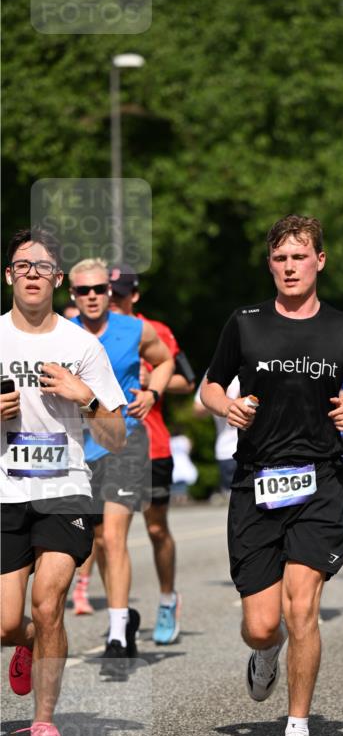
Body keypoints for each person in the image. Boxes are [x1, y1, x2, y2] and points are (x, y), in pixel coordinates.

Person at [201, 214, 343, 736]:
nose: (289, 267)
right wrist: (223, 404)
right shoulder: (246, 323)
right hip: (257, 482)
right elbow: (210, 384)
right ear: (270, 264)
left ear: (319, 261)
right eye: (280, 258)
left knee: (302, 606)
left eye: (299, 257)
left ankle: (298, 728)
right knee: (261, 625)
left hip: (320, 480)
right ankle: (265, 654)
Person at [1, 228, 125, 736]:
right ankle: (29, 642)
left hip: (66, 490)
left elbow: (117, 435)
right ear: (9, 275)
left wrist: (88, 397)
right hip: (6, 492)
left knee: (48, 601)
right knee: (9, 623)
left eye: (42, 266)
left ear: (57, 278)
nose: (32, 273)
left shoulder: (80, 345)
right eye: (22, 264)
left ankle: (45, 727)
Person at [69, 259, 174, 671]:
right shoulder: (63, 331)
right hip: (81, 450)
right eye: (84, 291)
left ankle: (115, 635)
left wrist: (153, 393)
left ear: (110, 292)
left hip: (126, 443)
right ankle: (124, 619)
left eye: (99, 289)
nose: (93, 296)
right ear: (72, 295)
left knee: (114, 537)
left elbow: (164, 360)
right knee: (96, 541)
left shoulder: (135, 329)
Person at [106, 264, 196, 644]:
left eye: (120, 294)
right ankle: (119, 617)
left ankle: (165, 600)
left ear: (135, 295)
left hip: (153, 442)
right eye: (108, 293)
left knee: (156, 528)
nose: (112, 299)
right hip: (107, 446)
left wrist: (149, 380)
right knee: (106, 537)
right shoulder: (90, 333)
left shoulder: (153, 331)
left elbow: (187, 380)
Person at [193, 374, 240, 502]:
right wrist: (220, 401)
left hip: (259, 447)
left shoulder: (259, 362)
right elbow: (197, 409)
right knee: (236, 504)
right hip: (228, 451)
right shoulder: (217, 369)